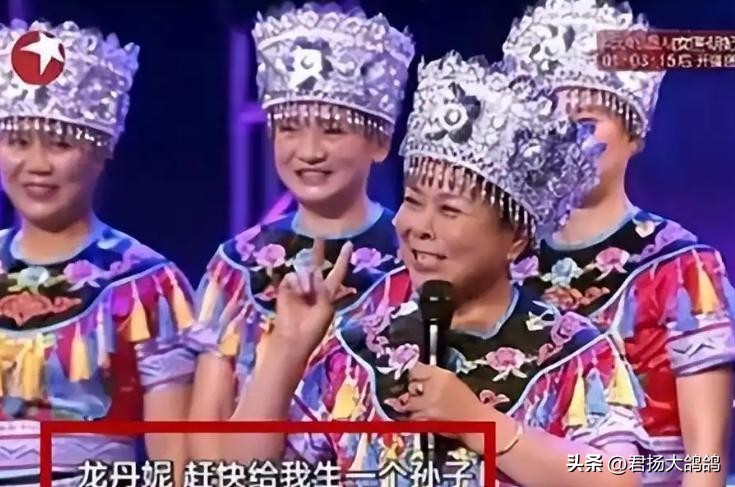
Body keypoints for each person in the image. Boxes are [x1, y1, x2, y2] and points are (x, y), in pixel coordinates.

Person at [226, 53, 652, 487]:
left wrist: (479, 424)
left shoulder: (573, 351)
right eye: (412, 201)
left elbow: (618, 477)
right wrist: (287, 349)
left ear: (515, 238)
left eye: (449, 210)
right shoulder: (356, 351)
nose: (419, 227)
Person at [502, 0, 735, 485]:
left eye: (588, 121)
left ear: (635, 133)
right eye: (553, 122)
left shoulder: (679, 268)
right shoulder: (501, 262)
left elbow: (705, 461)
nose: (569, 140)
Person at [187, 1, 415, 457]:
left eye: (332, 130)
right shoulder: (236, 265)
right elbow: (207, 429)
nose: (309, 151)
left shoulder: (415, 255)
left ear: (380, 141)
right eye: (289, 128)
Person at [0, 20, 196, 485]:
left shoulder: (146, 284)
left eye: (61, 143)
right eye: (18, 141)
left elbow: (175, 461)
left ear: (101, 150)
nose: (38, 165)